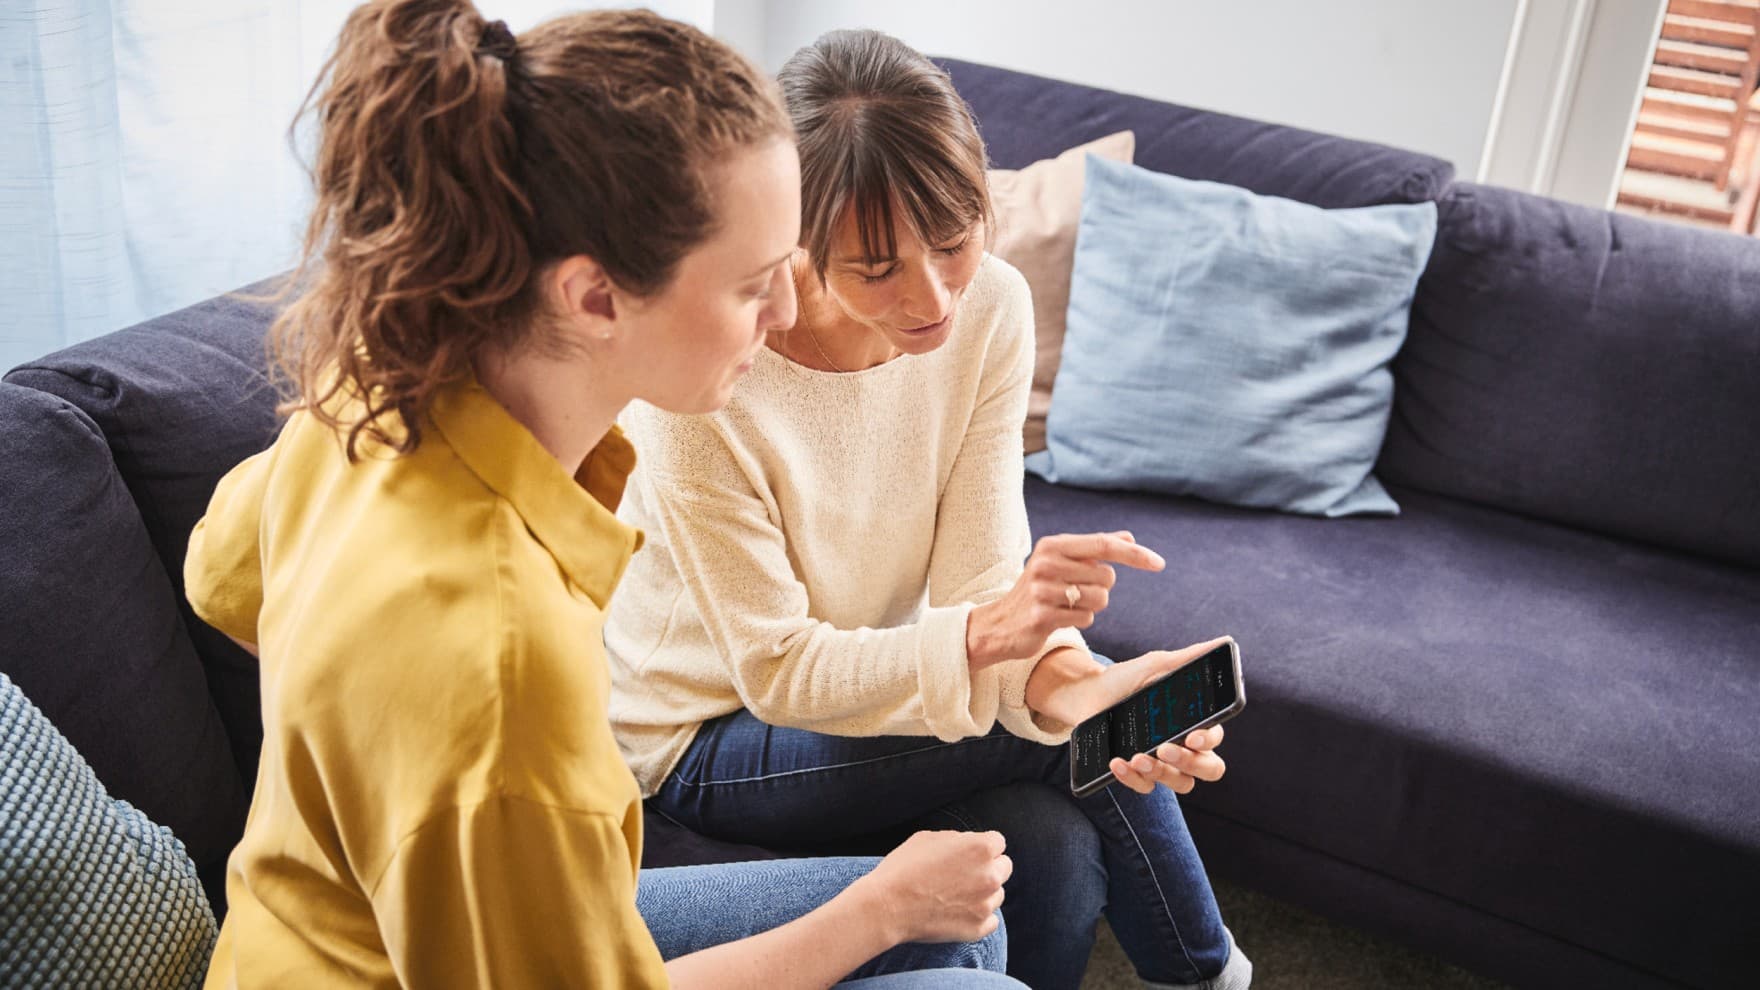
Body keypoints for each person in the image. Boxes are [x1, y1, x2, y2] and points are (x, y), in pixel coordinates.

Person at [184, 5, 1025, 987]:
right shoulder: (501, 660)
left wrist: (402, 808)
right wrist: (879, 909)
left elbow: (224, 583)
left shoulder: (373, 387)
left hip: (330, 931)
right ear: (593, 298)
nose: (794, 311)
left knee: (969, 929)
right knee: (967, 969)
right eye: (756, 285)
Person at [606, 29, 1253, 990]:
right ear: (796, 243)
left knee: (1051, 848)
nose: (936, 295)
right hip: (704, 731)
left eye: (954, 241)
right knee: (1048, 753)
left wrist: (1080, 683)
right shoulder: (710, 376)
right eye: (877, 269)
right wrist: (1053, 678)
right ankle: (1210, 977)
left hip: (876, 683)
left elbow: (981, 584)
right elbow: (780, 670)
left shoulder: (991, 304)